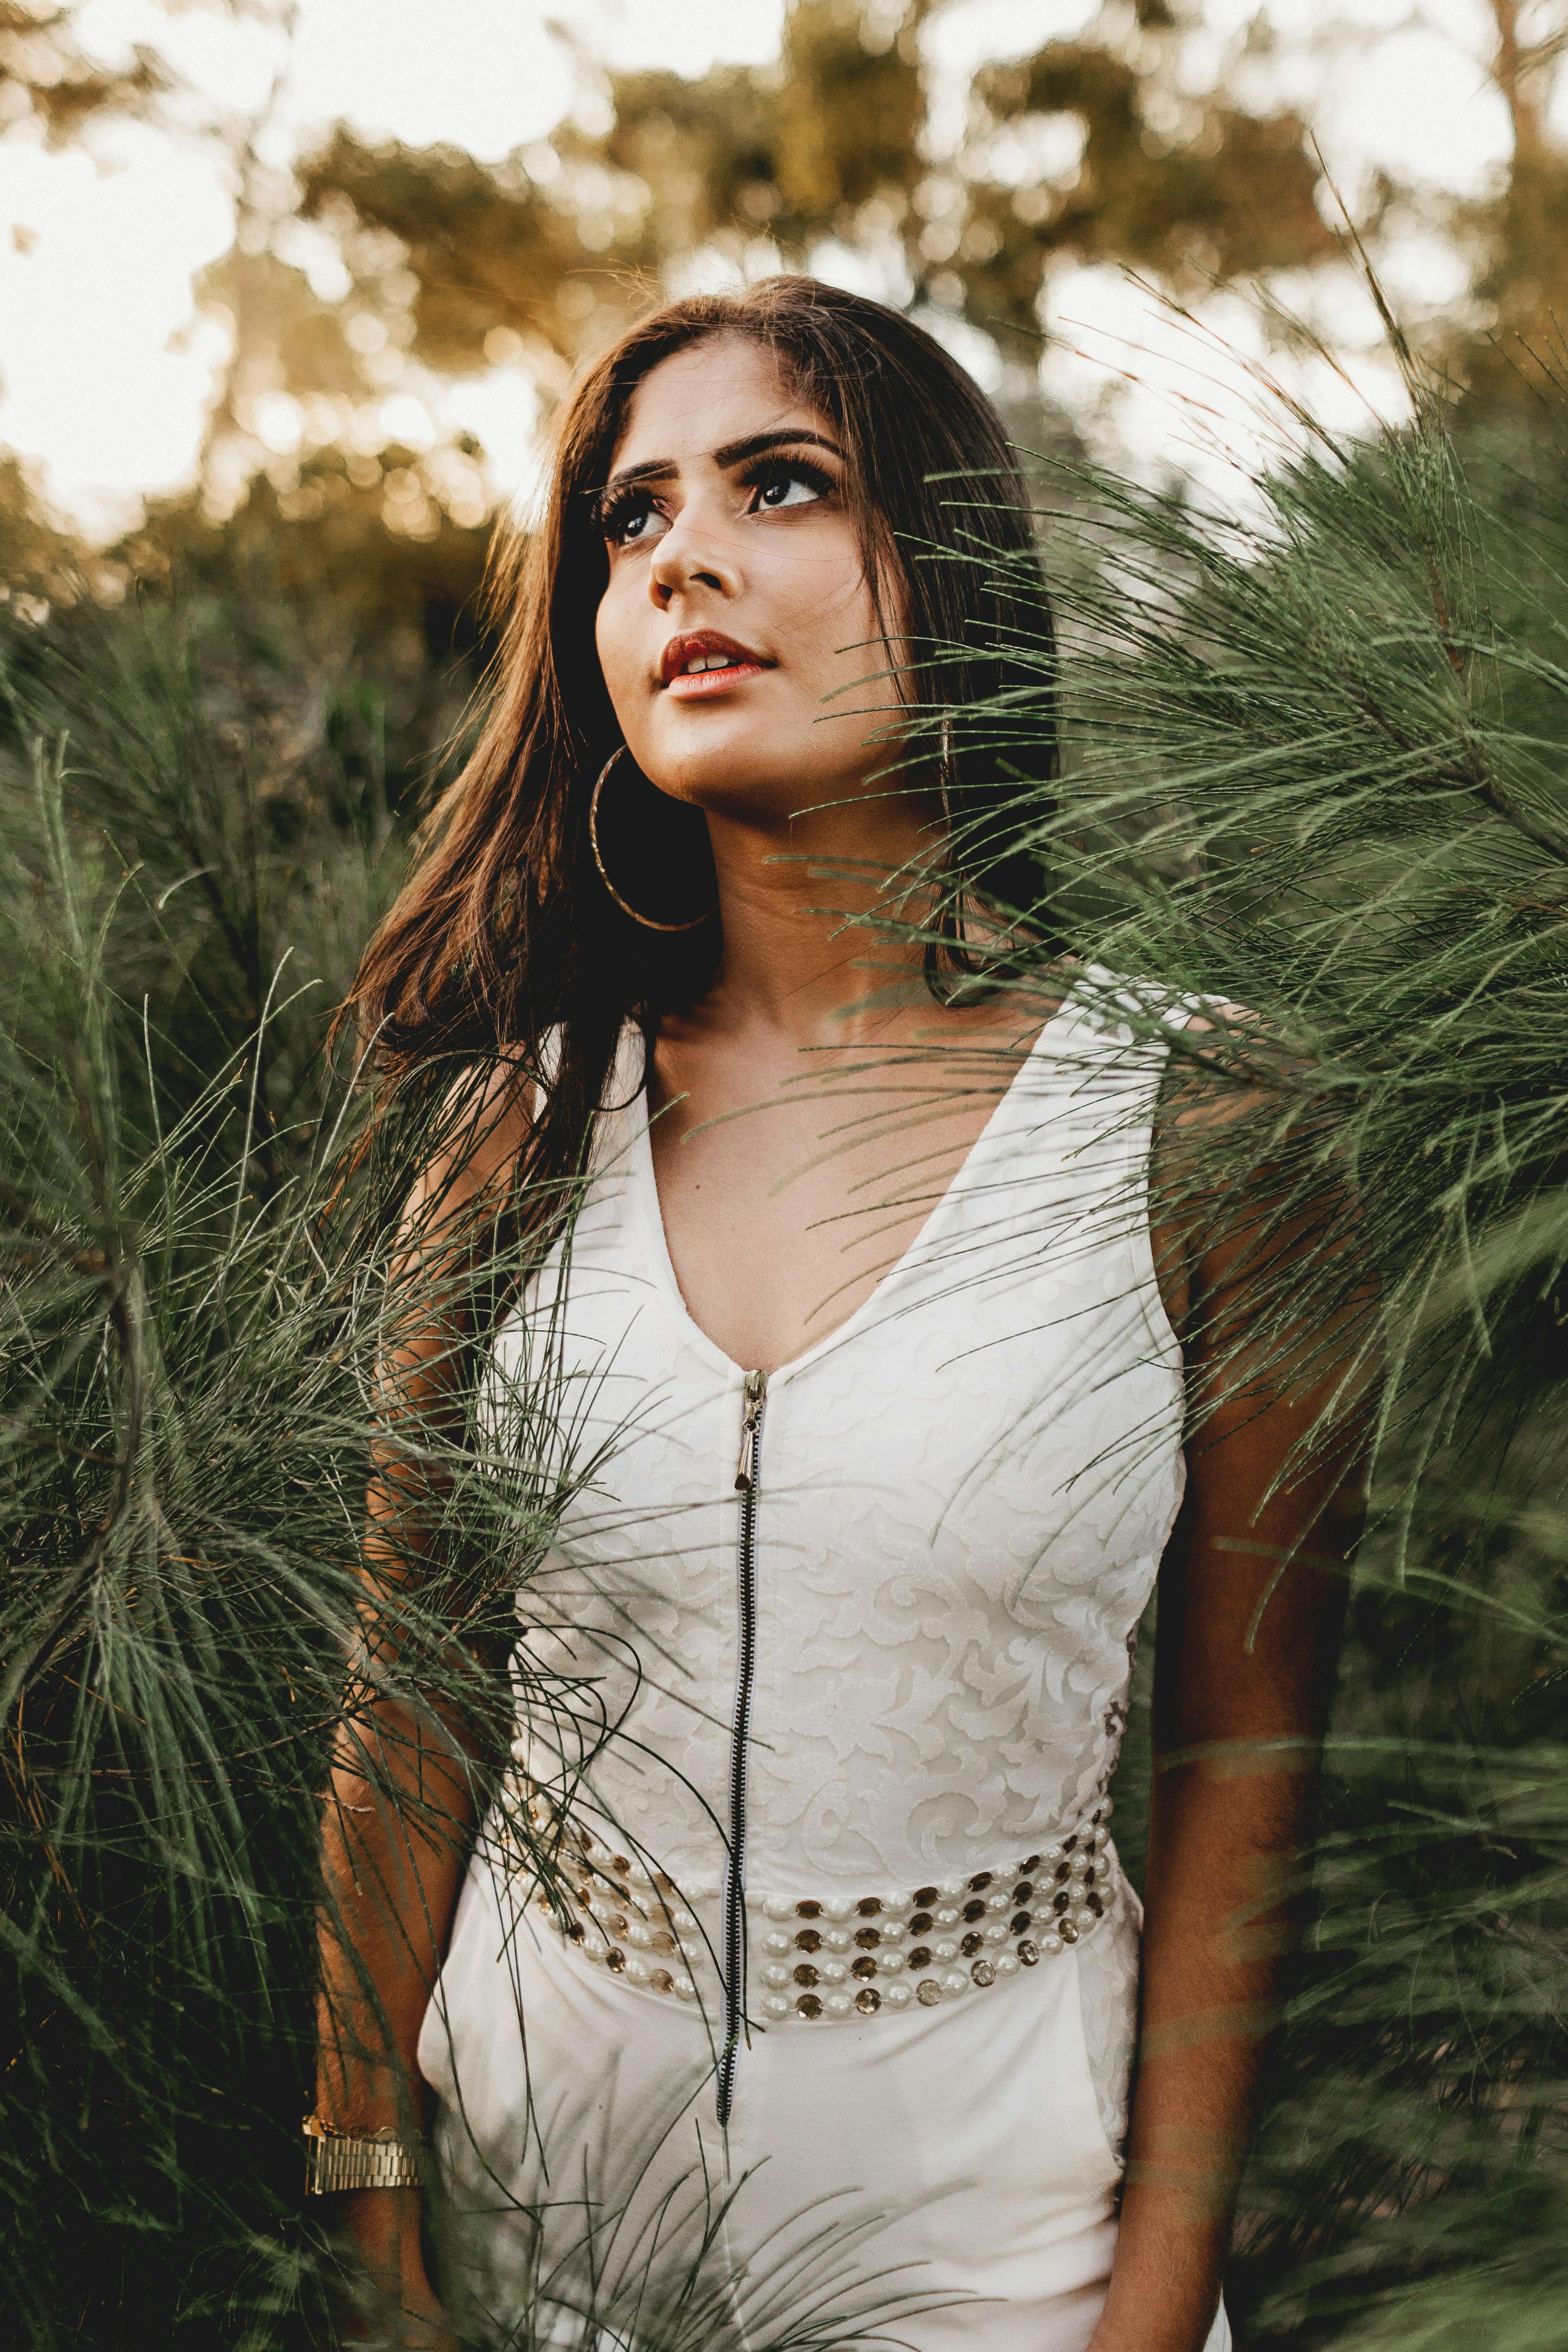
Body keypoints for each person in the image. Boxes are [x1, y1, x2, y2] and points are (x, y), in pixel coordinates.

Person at [309, 277, 1356, 2351]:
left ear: (952, 559)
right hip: (533, 2221)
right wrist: (367, 2207)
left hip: (1002, 2254)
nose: (682, 553)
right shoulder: (521, 1129)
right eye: (628, 521)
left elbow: (1245, 1761)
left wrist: (1152, 2301)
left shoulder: (1203, 1123)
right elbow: (403, 1703)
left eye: (778, 483)